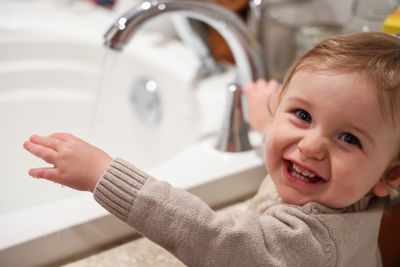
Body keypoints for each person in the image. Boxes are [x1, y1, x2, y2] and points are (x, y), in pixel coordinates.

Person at [23, 31, 400, 266]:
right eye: (302, 114)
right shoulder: (341, 186)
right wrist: (268, 124)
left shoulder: (315, 244)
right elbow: (295, 151)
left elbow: (217, 240)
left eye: (349, 139)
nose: (310, 146)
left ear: (388, 178)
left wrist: (104, 174)